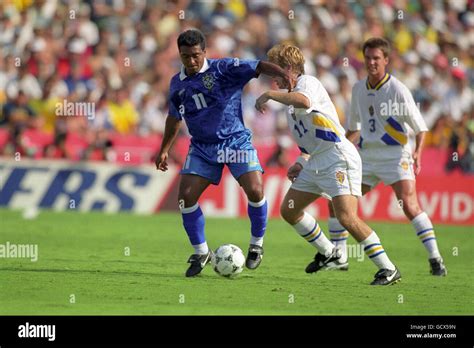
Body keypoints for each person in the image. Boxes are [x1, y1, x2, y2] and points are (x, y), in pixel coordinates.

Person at [255, 43, 401, 285]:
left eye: (275, 72)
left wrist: (270, 95)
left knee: (347, 217)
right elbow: (308, 145)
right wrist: (301, 162)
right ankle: (329, 252)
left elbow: (303, 100)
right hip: (317, 161)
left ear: (289, 69)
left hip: (338, 157)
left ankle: (388, 268)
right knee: (289, 210)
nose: (273, 80)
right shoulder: (290, 109)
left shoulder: (307, 83)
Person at [156, 29, 293, 277]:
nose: (192, 61)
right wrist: (164, 149)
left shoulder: (225, 68)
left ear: (204, 52)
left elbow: (258, 66)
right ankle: (201, 252)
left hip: (235, 142)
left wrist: (282, 73)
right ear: (180, 55)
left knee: (256, 190)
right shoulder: (177, 83)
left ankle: (256, 245)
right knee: (185, 197)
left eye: (196, 55)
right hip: (202, 147)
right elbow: (175, 117)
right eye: (186, 56)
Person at [327, 37, 447, 276]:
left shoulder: (398, 90)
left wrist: (418, 153)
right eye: (368, 58)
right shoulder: (358, 88)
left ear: (386, 60)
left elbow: (421, 127)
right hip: (367, 157)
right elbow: (354, 126)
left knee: (410, 205)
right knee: (337, 199)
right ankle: (339, 257)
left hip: (396, 155)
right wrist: (336, 146)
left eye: (376, 58)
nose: (372, 62)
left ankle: (436, 258)